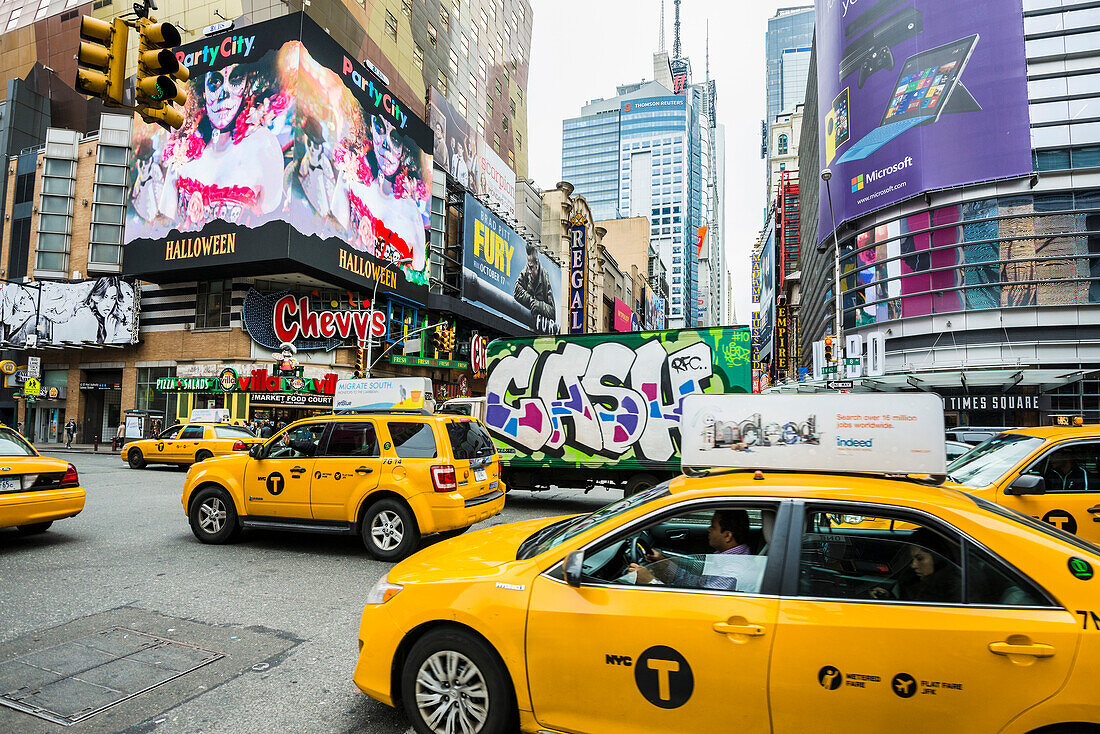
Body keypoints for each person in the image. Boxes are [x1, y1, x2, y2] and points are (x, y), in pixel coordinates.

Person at [159, 62, 285, 231]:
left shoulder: (263, 145)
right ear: (203, 90)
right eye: (215, 82)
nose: (224, 94)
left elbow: (273, 221)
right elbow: (163, 225)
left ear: (246, 86)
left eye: (235, 79)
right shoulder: (183, 147)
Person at [332, 114, 428, 272]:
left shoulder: (411, 211)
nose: (386, 144)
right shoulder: (352, 177)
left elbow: (418, 268)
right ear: (371, 128)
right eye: (379, 128)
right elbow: (334, 233)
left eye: (395, 138)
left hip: (387, 294)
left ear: (405, 150)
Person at [628, 510, 752, 591]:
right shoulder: (727, 557)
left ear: (727, 536)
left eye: (713, 527)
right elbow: (695, 582)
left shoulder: (732, 571)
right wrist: (662, 562)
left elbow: (698, 604)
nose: (708, 529)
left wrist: (651, 582)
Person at [872, 528, 961, 603]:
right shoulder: (915, 581)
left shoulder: (953, 589)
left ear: (938, 557)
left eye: (920, 559)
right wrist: (890, 599)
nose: (913, 565)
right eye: (912, 559)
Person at [513, 243, 558, 331]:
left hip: (543, 331)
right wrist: (531, 301)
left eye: (531, 267)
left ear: (537, 265)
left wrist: (539, 305)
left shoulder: (545, 277)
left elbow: (552, 312)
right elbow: (516, 291)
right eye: (528, 267)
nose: (529, 271)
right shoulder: (526, 271)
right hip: (530, 327)